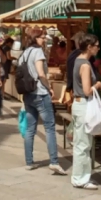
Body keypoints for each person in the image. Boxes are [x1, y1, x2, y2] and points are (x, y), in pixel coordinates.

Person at [21, 27, 66, 174]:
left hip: (28, 94)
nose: (44, 39)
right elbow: (41, 73)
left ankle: (29, 161)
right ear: (35, 38)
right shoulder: (37, 52)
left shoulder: (25, 53)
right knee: (49, 127)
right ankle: (53, 161)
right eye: (42, 37)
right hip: (40, 93)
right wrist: (49, 88)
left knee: (30, 129)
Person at [70, 34, 101, 190]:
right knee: (83, 144)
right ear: (89, 47)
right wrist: (98, 85)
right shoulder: (85, 65)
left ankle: (82, 176)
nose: (99, 47)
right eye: (96, 45)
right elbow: (87, 90)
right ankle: (80, 178)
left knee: (82, 142)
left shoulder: (78, 60)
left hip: (78, 104)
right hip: (83, 104)